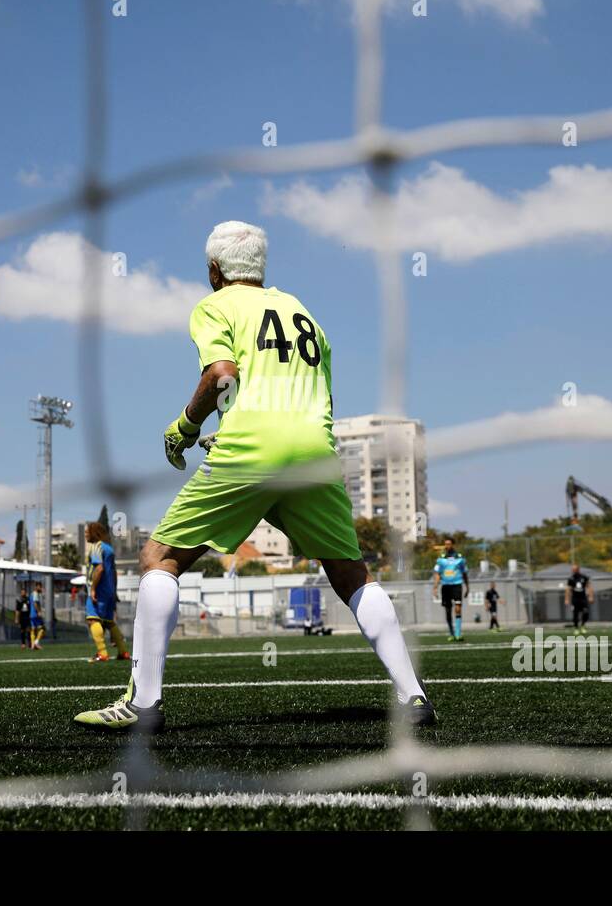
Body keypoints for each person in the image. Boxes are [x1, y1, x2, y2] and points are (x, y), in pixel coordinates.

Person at [74, 220, 433, 732]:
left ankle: (144, 704)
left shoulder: (214, 305)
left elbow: (222, 374)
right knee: (351, 574)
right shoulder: (303, 312)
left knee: (160, 556)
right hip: (312, 452)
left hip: (249, 452)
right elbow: (321, 397)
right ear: (261, 269)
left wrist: (185, 426)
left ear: (214, 271)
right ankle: (414, 695)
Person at [84, 522, 130, 662]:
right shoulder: (109, 548)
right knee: (109, 622)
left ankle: (102, 653)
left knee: (93, 619)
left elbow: (99, 569)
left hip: (99, 589)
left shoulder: (96, 547)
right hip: (109, 590)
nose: (86, 534)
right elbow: (114, 572)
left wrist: (92, 589)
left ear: (94, 533)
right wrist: (114, 591)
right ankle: (123, 652)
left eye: (87, 531)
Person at [431, 537, 468, 642]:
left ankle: (458, 634)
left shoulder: (459, 558)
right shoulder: (441, 558)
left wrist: (468, 587)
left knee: (458, 608)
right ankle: (451, 633)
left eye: (449, 544)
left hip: (457, 585)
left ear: (453, 545)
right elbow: (437, 574)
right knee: (448, 610)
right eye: (445, 544)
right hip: (445, 587)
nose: (447, 546)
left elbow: (464, 573)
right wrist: (435, 588)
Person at [566, 563, 591, 634]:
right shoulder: (571, 579)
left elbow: (589, 587)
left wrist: (590, 596)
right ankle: (576, 628)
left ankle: (583, 625)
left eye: (575, 569)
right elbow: (568, 589)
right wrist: (567, 599)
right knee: (575, 614)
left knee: (586, 612)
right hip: (575, 599)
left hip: (583, 598)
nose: (573, 571)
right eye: (572, 570)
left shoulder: (584, 577)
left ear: (578, 569)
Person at [29, 582, 46, 650]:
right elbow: (35, 603)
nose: (41, 588)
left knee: (33, 630)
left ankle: (33, 645)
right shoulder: (35, 594)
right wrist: (38, 611)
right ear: (36, 587)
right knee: (42, 629)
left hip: (31, 614)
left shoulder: (31, 594)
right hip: (35, 614)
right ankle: (36, 642)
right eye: (40, 587)